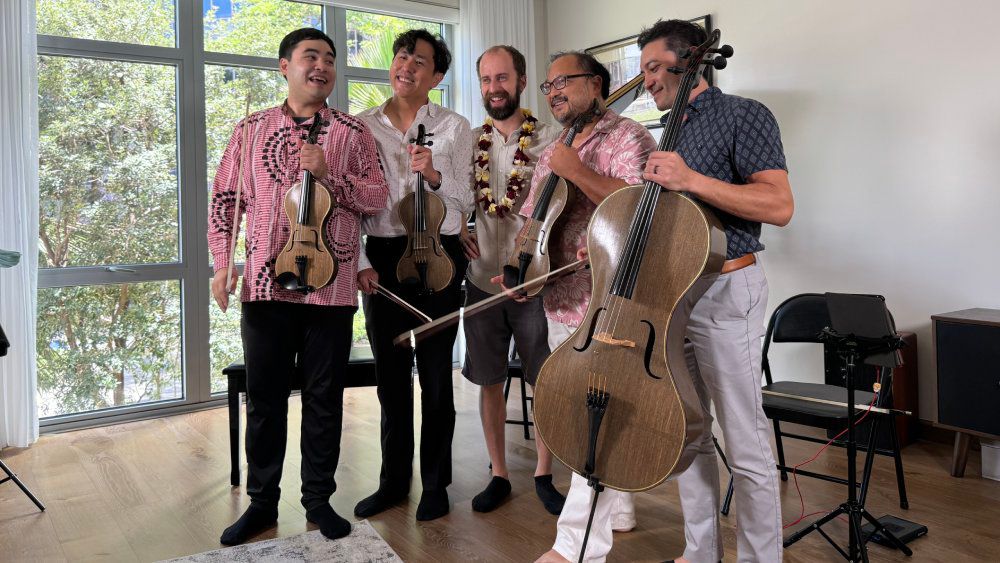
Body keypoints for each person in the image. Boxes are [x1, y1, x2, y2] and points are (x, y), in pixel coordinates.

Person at [538, 19, 794, 563]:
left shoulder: (743, 114)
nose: (647, 79)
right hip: (673, 299)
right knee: (690, 431)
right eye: (644, 68)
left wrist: (691, 180)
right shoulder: (666, 129)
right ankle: (701, 552)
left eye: (654, 67)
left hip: (728, 290)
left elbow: (779, 206)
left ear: (692, 61)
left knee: (744, 443)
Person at [207, 27, 388, 545]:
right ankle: (262, 504)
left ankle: (318, 501)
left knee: (324, 398)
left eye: (330, 59)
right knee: (265, 400)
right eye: (311, 56)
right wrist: (222, 265)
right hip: (264, 286)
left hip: (331, 290)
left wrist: (332, 174)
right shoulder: (249, 130)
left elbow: (376, 199)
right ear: (284, 65)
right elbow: (225, 203)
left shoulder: (353, 134)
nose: (322, 66)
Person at [507, 49, 656, 558]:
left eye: (562, 82)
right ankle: (620, 509)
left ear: (595, 83)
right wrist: (521, 267)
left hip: (610, 302)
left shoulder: (628, 137)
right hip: (560, 298)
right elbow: (532, 218)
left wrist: (579, 172)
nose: (553, 93)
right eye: (547, 87)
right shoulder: (553, 147)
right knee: (581, 410)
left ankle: (574, 547)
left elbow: (642, 211)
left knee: (597, 417)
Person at [353, 29, 475, 522]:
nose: (406, 65)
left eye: (420, 61)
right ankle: (392, 481)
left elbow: (463, 206)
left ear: (437, 77)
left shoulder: (454, 126)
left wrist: (435, 177)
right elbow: (352, 201)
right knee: (390, 377)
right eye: (402, 56)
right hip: (383, 255)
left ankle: (436, 483)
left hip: (440, 255)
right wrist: (361, 262)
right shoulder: (362, 127)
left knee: (436, 377)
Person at [459, 45, 564, 515]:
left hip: (534, 281)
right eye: (485, 80)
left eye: (502, 78)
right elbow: (455, 197)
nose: (493, 88)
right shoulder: (468, 141)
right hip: (481, 279)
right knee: (488, 379)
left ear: (521, 81)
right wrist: (456, 226)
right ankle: (498, 472)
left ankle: (544, 471)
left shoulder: (553, 139)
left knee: (545, 381)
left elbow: (570, 205)